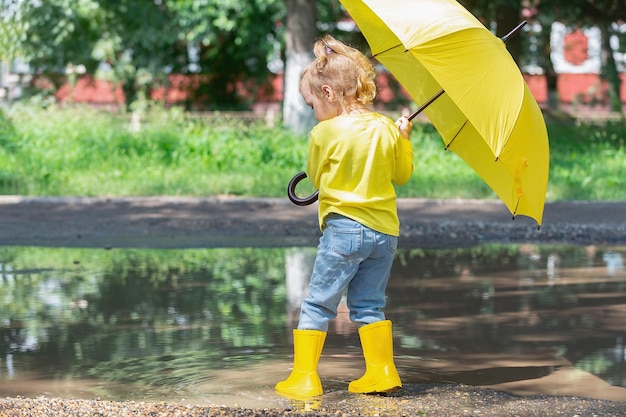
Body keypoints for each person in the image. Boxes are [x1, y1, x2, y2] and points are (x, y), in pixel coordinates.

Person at [275, 34, 414, 398]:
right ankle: (382, 372)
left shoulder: (325, 131)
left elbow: (318, 177)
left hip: (344, 231)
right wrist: (404, 138)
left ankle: (304, 378)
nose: (313, 111)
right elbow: (401, 175)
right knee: (369, 304)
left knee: (319, 302)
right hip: (384, 234)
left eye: (311, 104)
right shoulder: (386, 127)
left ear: (328, 92)